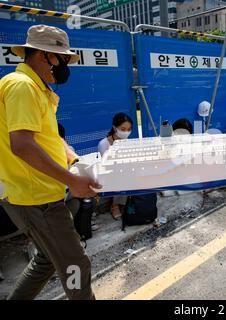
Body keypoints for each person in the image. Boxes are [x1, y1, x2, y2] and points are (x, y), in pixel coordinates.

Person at [0, 25, 100, 300]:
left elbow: (49, 138)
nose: (66, 66)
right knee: (76, 265)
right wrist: (73, 182)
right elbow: (22, 145)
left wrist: (76, 160)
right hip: (38, 199)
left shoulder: (35, 89)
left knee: (46, 260)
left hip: (40, 195)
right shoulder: (22, 87)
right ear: (46, 56)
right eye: (63, 59)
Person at [97, 112, 133, 219]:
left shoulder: (128, 142)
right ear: (114, 127)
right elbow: (105, 167)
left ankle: (127, 201)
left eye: (129, 129)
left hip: (124, 174)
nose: (126, 132)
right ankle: (115, 205)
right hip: (109, 175)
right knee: (120, 174)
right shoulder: (104, 144)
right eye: (123, 129)